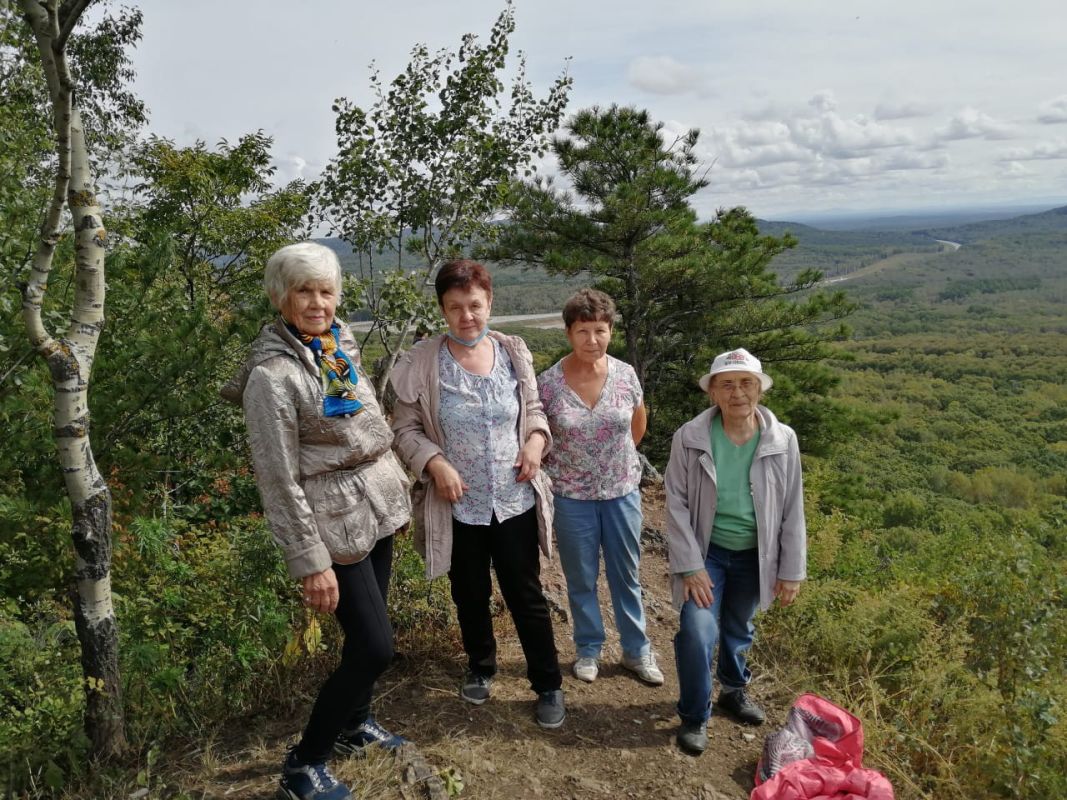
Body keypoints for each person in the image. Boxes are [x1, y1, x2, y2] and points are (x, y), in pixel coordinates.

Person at [222, 242, 412, 800]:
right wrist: (310, 562)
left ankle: (356, 725)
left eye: (326, 291)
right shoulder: (272, 377)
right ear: (281, 297)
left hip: (372, 507)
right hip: (330, 524)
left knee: (364, 637)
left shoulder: (336, 343)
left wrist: (394, 488)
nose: (317, 302)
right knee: (375, 647)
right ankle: (305, 764)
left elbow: (365, 423)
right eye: (304, 291)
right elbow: (277, 480)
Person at [389, 259, 566, 729]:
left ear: (490, 303)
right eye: (455, 307)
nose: (466, 315)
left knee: (525, 592)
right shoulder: (423, 362)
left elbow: (534, 409)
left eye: (475, 305)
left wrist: (534, 440)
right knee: (469, 592)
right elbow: (403, 429)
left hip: (514, 497)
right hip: (458, 504)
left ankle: (547, 683)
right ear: (442, 310)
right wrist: (434, 462)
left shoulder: (513, 351)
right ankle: (481, 665)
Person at [665, 348, 806, 756]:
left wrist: (791, 569)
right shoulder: (690, 437)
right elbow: (675, 503)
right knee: (697, 629)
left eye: (747, 383)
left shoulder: (783, 440)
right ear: (713, 393)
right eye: (727, 384)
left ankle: (732, 688)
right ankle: (694, 715)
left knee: (739, 627)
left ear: (760, 389)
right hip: (706, 552)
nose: (738, 393)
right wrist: (690, 565)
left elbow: (793, 507)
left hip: (755, 554)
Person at [538, 289, 663, 686]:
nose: (592, 340)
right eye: (583, 331)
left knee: (627, 574)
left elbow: (637, 427)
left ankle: (636, 651)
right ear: (568, 333)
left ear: (611, 331)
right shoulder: (548, 384)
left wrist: (612, 467)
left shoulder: (626, 375)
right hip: (572, 497)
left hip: (622, 492)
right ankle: (588, 648)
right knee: (581, 577)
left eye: (600, 330)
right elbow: (541, 436)